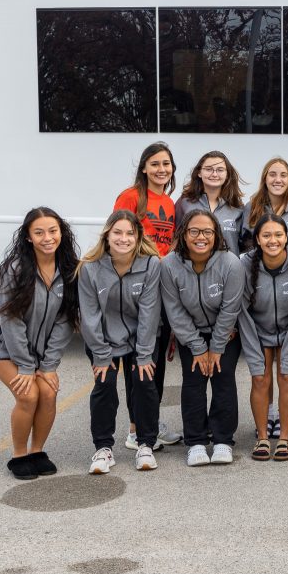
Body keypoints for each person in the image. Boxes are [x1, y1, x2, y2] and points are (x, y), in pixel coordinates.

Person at [0, 207, 79, 480]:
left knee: (48, 392)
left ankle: (37, 451)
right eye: (39, 232)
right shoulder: (16, 269)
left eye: (53, 230)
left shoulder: (69, 268)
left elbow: (66, 320)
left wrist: (47, 366)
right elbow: (12, 321)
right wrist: (25, 366)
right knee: (28, 394)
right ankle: (19, 455)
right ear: (28, 237)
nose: (47, 237)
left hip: (36, 350)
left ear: (61, 233)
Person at [78, 210, 162, 474]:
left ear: (138, 237)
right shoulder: (90, 268)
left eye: (130, 233)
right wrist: (102, 355)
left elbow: (150, 312)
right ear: (107, 234)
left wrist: (144, 354)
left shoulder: (151, 265)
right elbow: (89, 316)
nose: (123, 238)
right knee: (105, 386)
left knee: (144, 384)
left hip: (142, 340)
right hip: (104, 341)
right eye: (118, 232)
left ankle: (146, 444)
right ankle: (103, 449)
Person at [160, 209, 246, 467]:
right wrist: (198, 348)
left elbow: (230, 308)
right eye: (194, 231)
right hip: (191, 333)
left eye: (207, 231)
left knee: (223, 378)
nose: (201, 237)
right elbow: (174, 310)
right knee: (194, 381)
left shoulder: (231, 263)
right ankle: (195, 441)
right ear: (184, 234)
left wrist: (217, 347)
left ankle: (222, 440)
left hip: (226, 331)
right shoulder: (169, 264)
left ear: (216, 234)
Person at [113, 142, 182, 448]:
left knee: (155, 359)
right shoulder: (131, 197)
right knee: (136, 359)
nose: (161, 169)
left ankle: (149, 423)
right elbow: (117, 237)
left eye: (166, 164)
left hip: (162, 284)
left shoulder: (168, 202)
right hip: (138, 285)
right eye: (155, 164)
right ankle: (134, 429)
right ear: (144, 167)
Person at [238, 215, 288, 463]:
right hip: (256, 329)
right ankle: (263, 438)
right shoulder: (244, 264)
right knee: (260, 378)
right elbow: (242, 309)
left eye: (278, 235)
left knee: (287, 377)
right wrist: (252, 340)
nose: (273, 240)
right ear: (257, 239)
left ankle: (285, 439)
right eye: (266, 235)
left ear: (286, 236)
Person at [175, 150, 245, 256]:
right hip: (191, 270)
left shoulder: (237, 208)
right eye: (208, 169)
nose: (214, 174)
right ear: (199, 173)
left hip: (227, 271)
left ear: (227, 175)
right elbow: (174, 238)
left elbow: (247, 245)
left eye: (220, 170)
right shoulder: (185, 203)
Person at [241, 157, 288, 254]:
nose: (278, 180)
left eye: (283, 175)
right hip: (258, 268)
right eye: (272, 175)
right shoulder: (252, 207)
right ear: (265, 179)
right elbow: (245, 242)